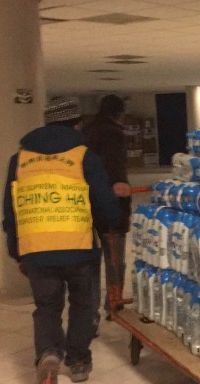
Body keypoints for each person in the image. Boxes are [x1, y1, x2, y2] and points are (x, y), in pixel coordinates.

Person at [2, 98, 122, 384]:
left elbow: (11, 209)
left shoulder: (20, 160)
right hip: (78, 247)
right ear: (77, 124)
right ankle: (78, 361)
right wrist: (113, 220)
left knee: (46, 307)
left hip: (36, 249)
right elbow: (103, 201)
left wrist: (17, 250)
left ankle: (48, 356)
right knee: (83, 304)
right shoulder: (84, 156)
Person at [82, 95, 131, 326]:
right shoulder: (114, 133)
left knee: (90, 261)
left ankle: (90, 312)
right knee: (114, 258)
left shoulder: (85, 130)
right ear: (119, 113)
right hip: (109, 202)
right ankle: (113, 304)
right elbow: (115, 166)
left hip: (83, 202)